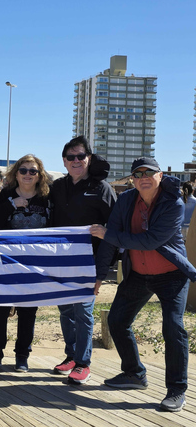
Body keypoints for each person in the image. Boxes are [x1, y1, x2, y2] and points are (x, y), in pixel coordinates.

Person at [92, 157, 196, 413]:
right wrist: (99, 275)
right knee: (116, 320)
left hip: (171, 274)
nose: (144, 177)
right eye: (137, 174)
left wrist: (109, 234)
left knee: (173, 327)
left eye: (149, 172)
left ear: (160, 175)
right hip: (138, 273)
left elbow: (150, 241)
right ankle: (134, 373)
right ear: (132, 180)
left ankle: (176, 390)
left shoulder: (173, 201)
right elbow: (109, 242)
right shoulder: (126, 200)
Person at [49, 135, 115, 384]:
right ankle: (71, 356)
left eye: (81, 156)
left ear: (89, 159)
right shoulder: (57, 187)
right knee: (65, 310)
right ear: (64, 162)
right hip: (60, 262)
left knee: (83, 312)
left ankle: (84, 363)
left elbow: (114, 230)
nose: (76, 161)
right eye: (71, 157)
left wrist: (102, 271)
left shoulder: (102, 189)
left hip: (89, 262)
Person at [0, 154, 52, 373]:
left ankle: (22, 355)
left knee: (28, 311)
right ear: (16, 173)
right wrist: (12, 205)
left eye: (33, 171)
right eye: (23, 170)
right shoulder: (6, 195)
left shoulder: (46, 198)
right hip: (6, 264)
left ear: (40, 175)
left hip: (33, 265)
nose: (28, 175)